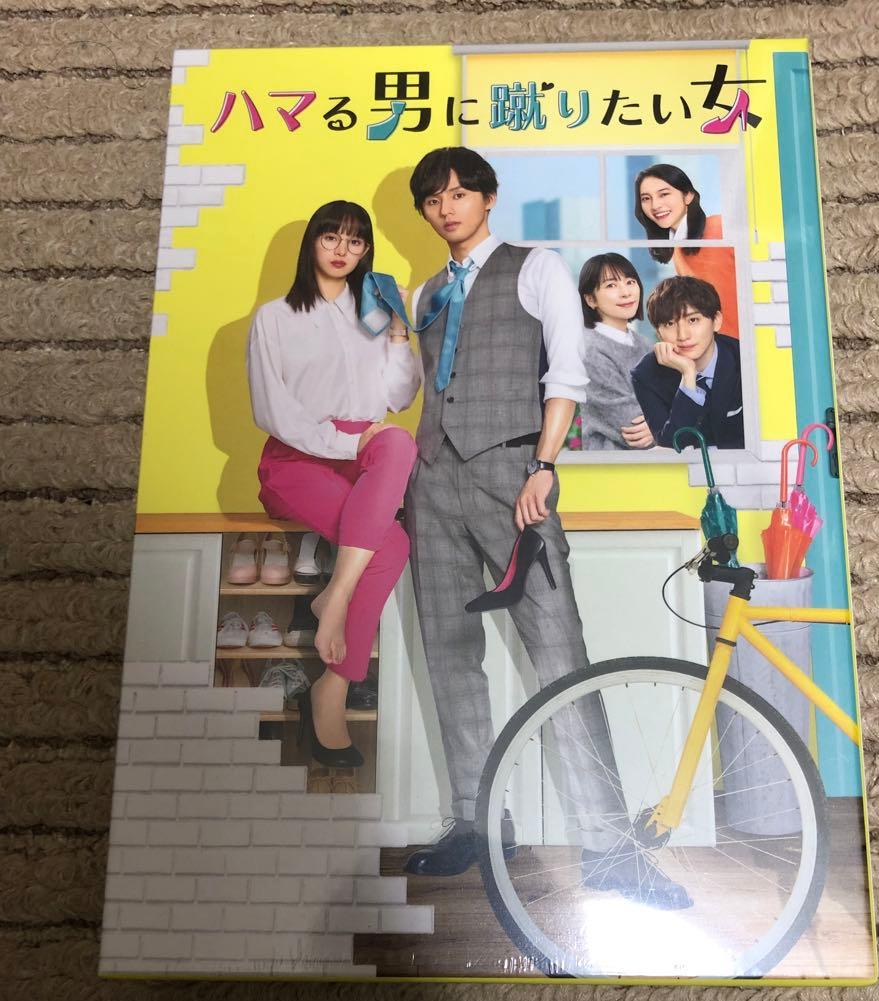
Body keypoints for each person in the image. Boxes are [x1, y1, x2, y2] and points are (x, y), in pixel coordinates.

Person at [400, 146, 689, 910]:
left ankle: (608, 846)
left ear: (487, 197)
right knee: (448, 656)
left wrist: (543, 464)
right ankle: (476, 822)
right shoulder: (424, 291)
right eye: (432, 199)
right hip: (430, 481)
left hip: (513, 476)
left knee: (560, 656)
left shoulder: (536, 268)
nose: (446, 208)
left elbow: (565, 371)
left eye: (459, 193)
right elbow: (413, 387)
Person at [247, 200, 420, 767]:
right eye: (331, 237)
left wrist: (399, 330)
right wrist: (347, 443)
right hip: (296, 457)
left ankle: (333, 654)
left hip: (366, 455)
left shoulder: (374, 316)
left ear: (366, 250)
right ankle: (337, 629)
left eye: (356, 241)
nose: (344, 250)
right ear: (312, 244)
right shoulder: (275, 317)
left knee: (399, 441)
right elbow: (273, 411)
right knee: (390, 543)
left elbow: (400, 398)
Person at [630, 275, 743, 450]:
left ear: (716, 321)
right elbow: (672, 444)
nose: (683, 335)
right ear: (658, 333)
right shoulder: (646, 374)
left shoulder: (744, 358)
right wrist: (688, 374)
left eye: (693, 320)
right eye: (670, 323)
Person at [634, 163, 739, 340]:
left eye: (664, 194)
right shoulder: (677, 250)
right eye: (646, 198)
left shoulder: (720, 227)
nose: (655, 205)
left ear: (688, 195)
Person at [578, 252, 655, 451]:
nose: (625, 292)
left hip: (657, 464)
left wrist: (661, 424)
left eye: (630, 282)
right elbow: (631, 427)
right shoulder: (590, 350)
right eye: (611, 285)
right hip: (612, 464)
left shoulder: (646, 345)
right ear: (590, 299)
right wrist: (671, 423)